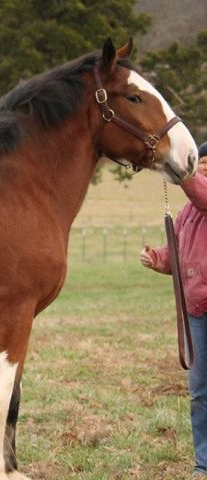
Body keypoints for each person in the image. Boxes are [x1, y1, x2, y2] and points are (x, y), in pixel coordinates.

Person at [140, 141, 207, 478]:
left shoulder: (202, 198)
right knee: (199, 391)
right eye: (201, 167)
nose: (202, 174)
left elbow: (201, 194)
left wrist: (181, 169)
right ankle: (203, 463)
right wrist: (157, 258)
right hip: (195, 309)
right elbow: (176, 254)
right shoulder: (186, 212)